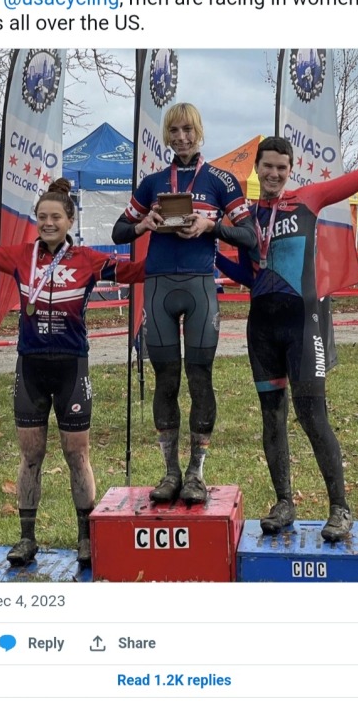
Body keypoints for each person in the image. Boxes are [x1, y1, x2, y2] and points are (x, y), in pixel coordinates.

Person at [216, 97, 358, 541]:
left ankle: (340, 508)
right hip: (262, 328)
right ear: (257, 168)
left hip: (303, 324)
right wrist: (211, 253)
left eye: (281, 167)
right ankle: (284, 502)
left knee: (312, 415)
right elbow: (250, 275)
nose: (274, 173)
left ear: (290, 169)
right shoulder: (246, 216)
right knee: (271, 417)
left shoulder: (308, 199)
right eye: (267, 166)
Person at [0, 172, 145, 567]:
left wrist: (175, 238)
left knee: (77, 454)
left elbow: (137, 271)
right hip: (31, 368)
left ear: (70, 221)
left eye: (56, 217)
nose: (48, 223)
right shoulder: (22, 256)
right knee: (31, 455)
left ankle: (86, 539)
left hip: (72, 368)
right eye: (42, 217)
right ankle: (26, 538)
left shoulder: (88, 260)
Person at [111, 102, 257, 505]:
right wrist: (144, 224)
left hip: (199, 287)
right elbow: (119, 230)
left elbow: (250, 236)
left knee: (200, 377)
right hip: (159, 286)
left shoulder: (222, 181)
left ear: (199, 131)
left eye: (188, 130)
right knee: (166, 378)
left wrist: (212, 226)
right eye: (174, 131)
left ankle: (196, 473)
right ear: (166, 135)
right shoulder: (153, 182)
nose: (181, 138)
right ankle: (171, 471)